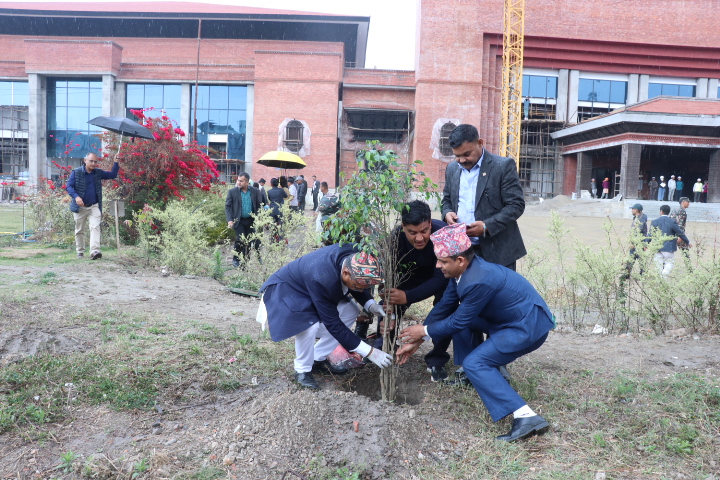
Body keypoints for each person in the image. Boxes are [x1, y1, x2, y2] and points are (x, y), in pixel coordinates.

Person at [396, 224, 554, 442]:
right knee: (461, 322)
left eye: (442, 261)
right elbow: (445, 306)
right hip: (511, 320)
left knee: (475, 362)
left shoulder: (479, 280)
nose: (438, 265)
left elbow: (458, 321)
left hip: (526, 327)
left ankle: (526, 416)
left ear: (460, 260)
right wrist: (419, 339)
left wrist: (423, 330)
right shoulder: (463, 272)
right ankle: (473, 377)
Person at [441, 124, 525, 383]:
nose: (461, 160)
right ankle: (468, 365)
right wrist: (447, 213)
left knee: (500, 307)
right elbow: (446, 199)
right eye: (457, 156)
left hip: (498, 249)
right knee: (465, 306)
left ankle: (498, 364)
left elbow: (516, 205)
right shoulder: (452, 169)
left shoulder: (502, 166)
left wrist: (486, 226)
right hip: (464, 252)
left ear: (480, 142)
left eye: (466, 154)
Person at [257, 246, 391, 389]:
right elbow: (333, 324)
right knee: (309, 325)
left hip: (310, 288)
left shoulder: (355, 256)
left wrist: (371, 305)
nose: (361, 290)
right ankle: (302, 370)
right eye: (357, 287)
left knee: (351, 310)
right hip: (286, 291)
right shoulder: (322, 277)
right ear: (345, 273)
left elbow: (358, 283)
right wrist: (369, 352)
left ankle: (317, 358)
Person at [356, 200, 455, 382]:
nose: (419, 238)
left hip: (440, 277)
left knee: (446, 307)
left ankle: (437, 360)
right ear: (403, 227)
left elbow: (441, 279)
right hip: (409, 276)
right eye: (412, 232)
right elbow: (388, 279)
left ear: (430, 223)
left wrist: (407, 297)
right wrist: (391, 311)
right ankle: (385, 347)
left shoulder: (443, 234)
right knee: (390, 302)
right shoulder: (395, 238)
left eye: (424, 231)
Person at [66, 152, 120, 260]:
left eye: (95, 161)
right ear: (85, 160)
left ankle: (95, 251)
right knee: (79, 230)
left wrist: (116, 163)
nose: (93, 163)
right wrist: (76, 197)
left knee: (95, 227)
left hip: (94, 206)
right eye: (91, 161)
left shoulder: (98, 173)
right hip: (80, 207)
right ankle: (80, 251)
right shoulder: (76, 172)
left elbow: (112, 175)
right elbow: (69, 186)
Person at [225, 172, 264, 267]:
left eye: (241, 181)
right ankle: (236, 258)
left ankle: (245, 260)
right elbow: (228, 207)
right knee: (241, 239)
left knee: (250, 241)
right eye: (238, 180)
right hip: (239, 220)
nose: (238, 182)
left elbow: (259, 205)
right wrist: (230, 220)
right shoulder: (233, 192)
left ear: (247, 182)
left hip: (251, 220)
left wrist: (259, 217)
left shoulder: (255, 191)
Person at [649, 205, 691, 278]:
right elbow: (680, 233)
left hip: (657, 246)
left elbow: (650, 234)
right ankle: (664, 277)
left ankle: (660, 279)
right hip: (669, 247)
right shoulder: (672, 222)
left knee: (658, 265)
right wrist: (687, 242)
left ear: (661, 211)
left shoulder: (654, 221)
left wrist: (645, 244)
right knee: (669, 263)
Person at [622, 203, 647, 280]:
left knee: (636, 259)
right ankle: (628, 274)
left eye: (632, 209)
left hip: (639, 243)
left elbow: (638, 232)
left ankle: (640, 275)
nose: (631, 211)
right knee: (636, 259)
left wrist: (634, 243)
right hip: (638, 243)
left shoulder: (640, 219)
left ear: (636, 210)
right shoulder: (637, 218)